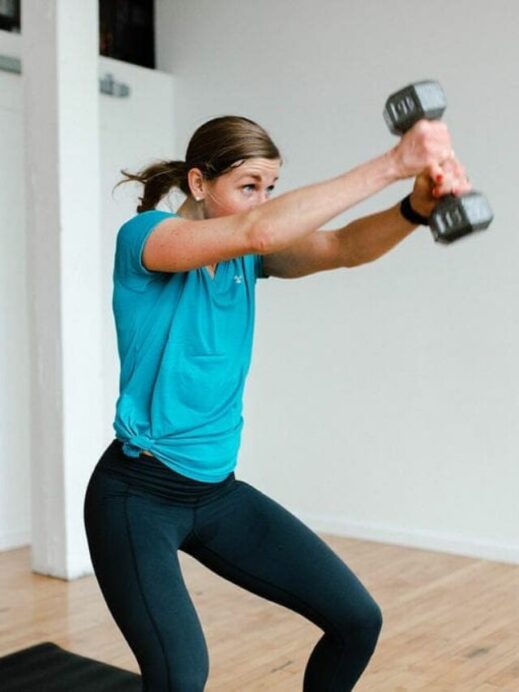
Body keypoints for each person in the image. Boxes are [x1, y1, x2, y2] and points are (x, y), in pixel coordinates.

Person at [84, 114, 470, 691]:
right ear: (198, 184)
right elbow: (259, 231)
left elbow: (340, 246)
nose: (261, 201)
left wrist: (413, 208)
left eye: (269, 188)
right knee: (181, 676)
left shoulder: (246, 257)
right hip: (136, 498)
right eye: (248, 187)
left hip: (216, 494)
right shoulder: (146, 239)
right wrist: (393, 164)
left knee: (357, 621)